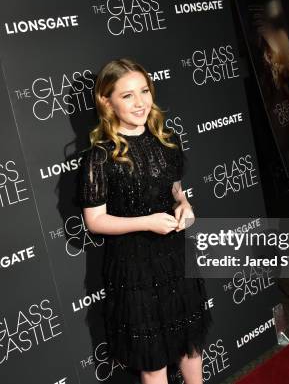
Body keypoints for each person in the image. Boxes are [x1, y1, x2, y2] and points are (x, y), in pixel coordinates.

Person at [79, 59, 211, 384]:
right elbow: (95, 221)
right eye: (127, 96)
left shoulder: (166, 140)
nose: (140, 102)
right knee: (153, 361)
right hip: (134, 267)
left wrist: (185, 204)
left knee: (190, 344)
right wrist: (146, 221)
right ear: (107, 102)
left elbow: (174, 188)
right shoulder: (101, 155)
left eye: (144, 91)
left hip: (175, 258)